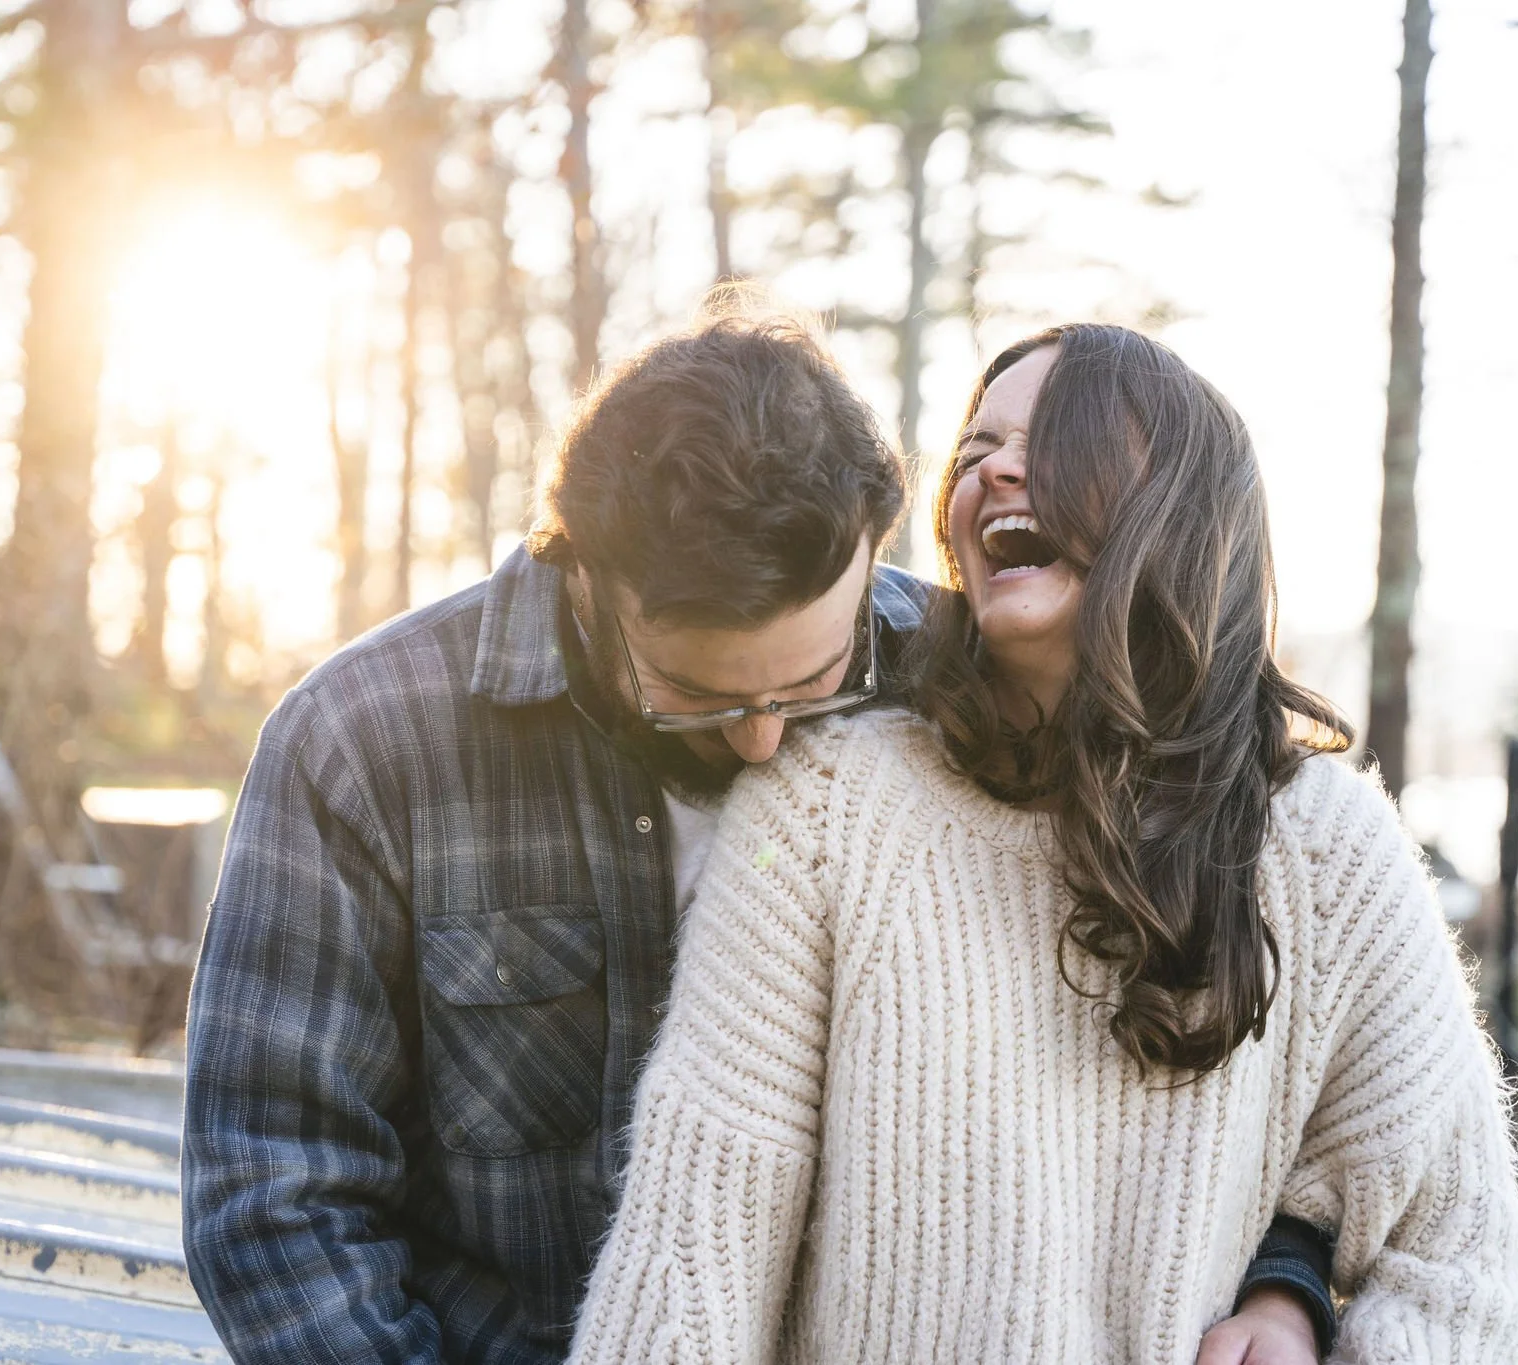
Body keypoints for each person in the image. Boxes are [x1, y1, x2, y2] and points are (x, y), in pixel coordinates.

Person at [182, 309, 1340, 1363]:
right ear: (578, 573)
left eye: (816, 682)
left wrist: (1287, 1278)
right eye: (698, 695)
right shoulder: (361, 744)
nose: (762, 746)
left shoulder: (969, 689)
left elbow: (1166, 1077)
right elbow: (277, 1199)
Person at [566, 324, 1518, 1364]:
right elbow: (695, 1249)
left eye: (1056, 436)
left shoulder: (1324, 847)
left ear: (1180, 500)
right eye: (974, 448)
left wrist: (1288, 1286)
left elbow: (1450, 1264)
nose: (995, 470)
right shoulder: (819, 805)